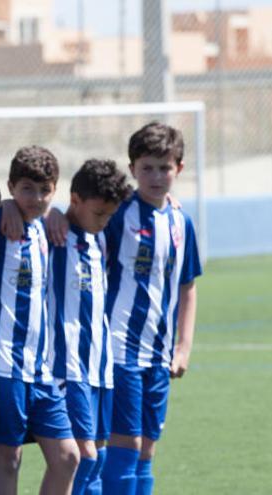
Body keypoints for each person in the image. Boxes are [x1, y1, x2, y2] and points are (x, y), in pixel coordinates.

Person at [101, 123, 202, 495]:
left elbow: (187, 287)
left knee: (147, 450)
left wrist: (183, 347)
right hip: (118, 350)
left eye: (165, 167)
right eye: (147, 168)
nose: (157, 176)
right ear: (132, 169)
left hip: (158, 355)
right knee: (125, 447)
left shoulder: (181, 221)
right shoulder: (116, 215)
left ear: (180, 168)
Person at [0, 146, 81, 495]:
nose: (36, 198)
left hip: (40, 371)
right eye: (26, 189)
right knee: (8, 461)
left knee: (68, 457)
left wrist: (56, 213)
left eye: (44, 190)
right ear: (10, 186)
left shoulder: (47, 227)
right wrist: (2, 206)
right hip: (3, 368)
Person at [45, 159, 132, 494]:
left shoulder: (100, 239)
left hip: (100, 367)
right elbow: (22, 211)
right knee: (84, 456)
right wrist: (51, 212)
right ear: (75, 200)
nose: (104, 222)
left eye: (109, 215)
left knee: (98, 456)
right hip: (68, 366)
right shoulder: (54, 234)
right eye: (98, 214)